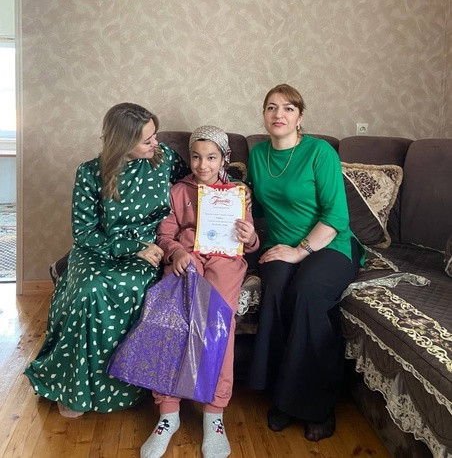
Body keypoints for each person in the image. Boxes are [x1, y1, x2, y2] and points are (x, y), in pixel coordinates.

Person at [24, 103, 190, 417]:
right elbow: (84, 232)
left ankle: (123, 385)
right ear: (123, 142)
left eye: (154, 135)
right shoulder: (89, 173)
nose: (155, 143)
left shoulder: (165, 157)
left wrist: (235, 188)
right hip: (99, 248)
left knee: (131, 286)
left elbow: (196, 183)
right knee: (88, 289)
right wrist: (131, 247)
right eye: (147, 140)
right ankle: (73, 388)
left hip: (149, 246)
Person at [246, 84, 365, 441]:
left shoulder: (319, 152)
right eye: (271, 107)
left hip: (330, 244)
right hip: (280, 245)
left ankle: (317, 405)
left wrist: (300, 251)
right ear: (263, 115)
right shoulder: (258, 155)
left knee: (308, 290)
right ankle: (282, 397)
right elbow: (258, 206)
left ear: (300, 117)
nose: (278, 114)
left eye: (288, 108)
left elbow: (336, 216)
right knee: (276, 287)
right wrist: (239, 203)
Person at [140, 125, 260, 458]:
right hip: (187, 258)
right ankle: (168, 414)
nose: (202, 165)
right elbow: (165, 235)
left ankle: (214, 415)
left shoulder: (237, 193)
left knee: (219, 324)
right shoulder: (178, 191)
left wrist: (250, 237)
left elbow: (251, 241)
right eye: (196, 157)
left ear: (224, 159)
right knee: (171, 321)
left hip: (225, 260)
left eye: (210, 158)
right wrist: (176, 252)